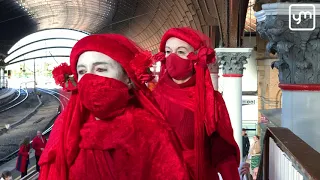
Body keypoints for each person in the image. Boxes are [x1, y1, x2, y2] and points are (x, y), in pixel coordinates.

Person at [38, 34, 189, 180]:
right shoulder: (67, 128)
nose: (89, 78)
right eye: (82, 71)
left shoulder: (152, 132)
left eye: (101, 69)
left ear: (128, 79)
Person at [152, 27, 240, 180]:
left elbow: (222, 152)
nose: (172, 57)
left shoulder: (211, 100)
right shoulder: (152, 98)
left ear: (195, 58)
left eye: (180, 52)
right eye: (168, 52)